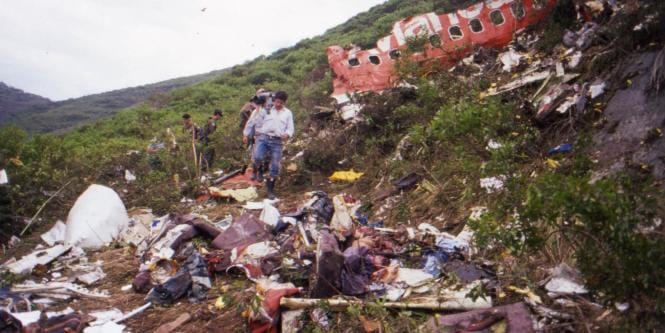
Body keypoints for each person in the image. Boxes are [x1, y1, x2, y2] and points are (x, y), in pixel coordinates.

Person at [244, 91, 294, 199]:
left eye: (281, 102)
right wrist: (247, 134)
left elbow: (290, 128)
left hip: (277, 141)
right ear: (274, 100)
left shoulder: (288, 113)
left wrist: (287, 134)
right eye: (276, 102)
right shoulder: (266, 110)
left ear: (284, 102)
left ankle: (270, 189)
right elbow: (253, 121)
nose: (278, 104)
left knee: (275, 167)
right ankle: (257, 170)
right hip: (264, 138)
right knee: (257, 157)